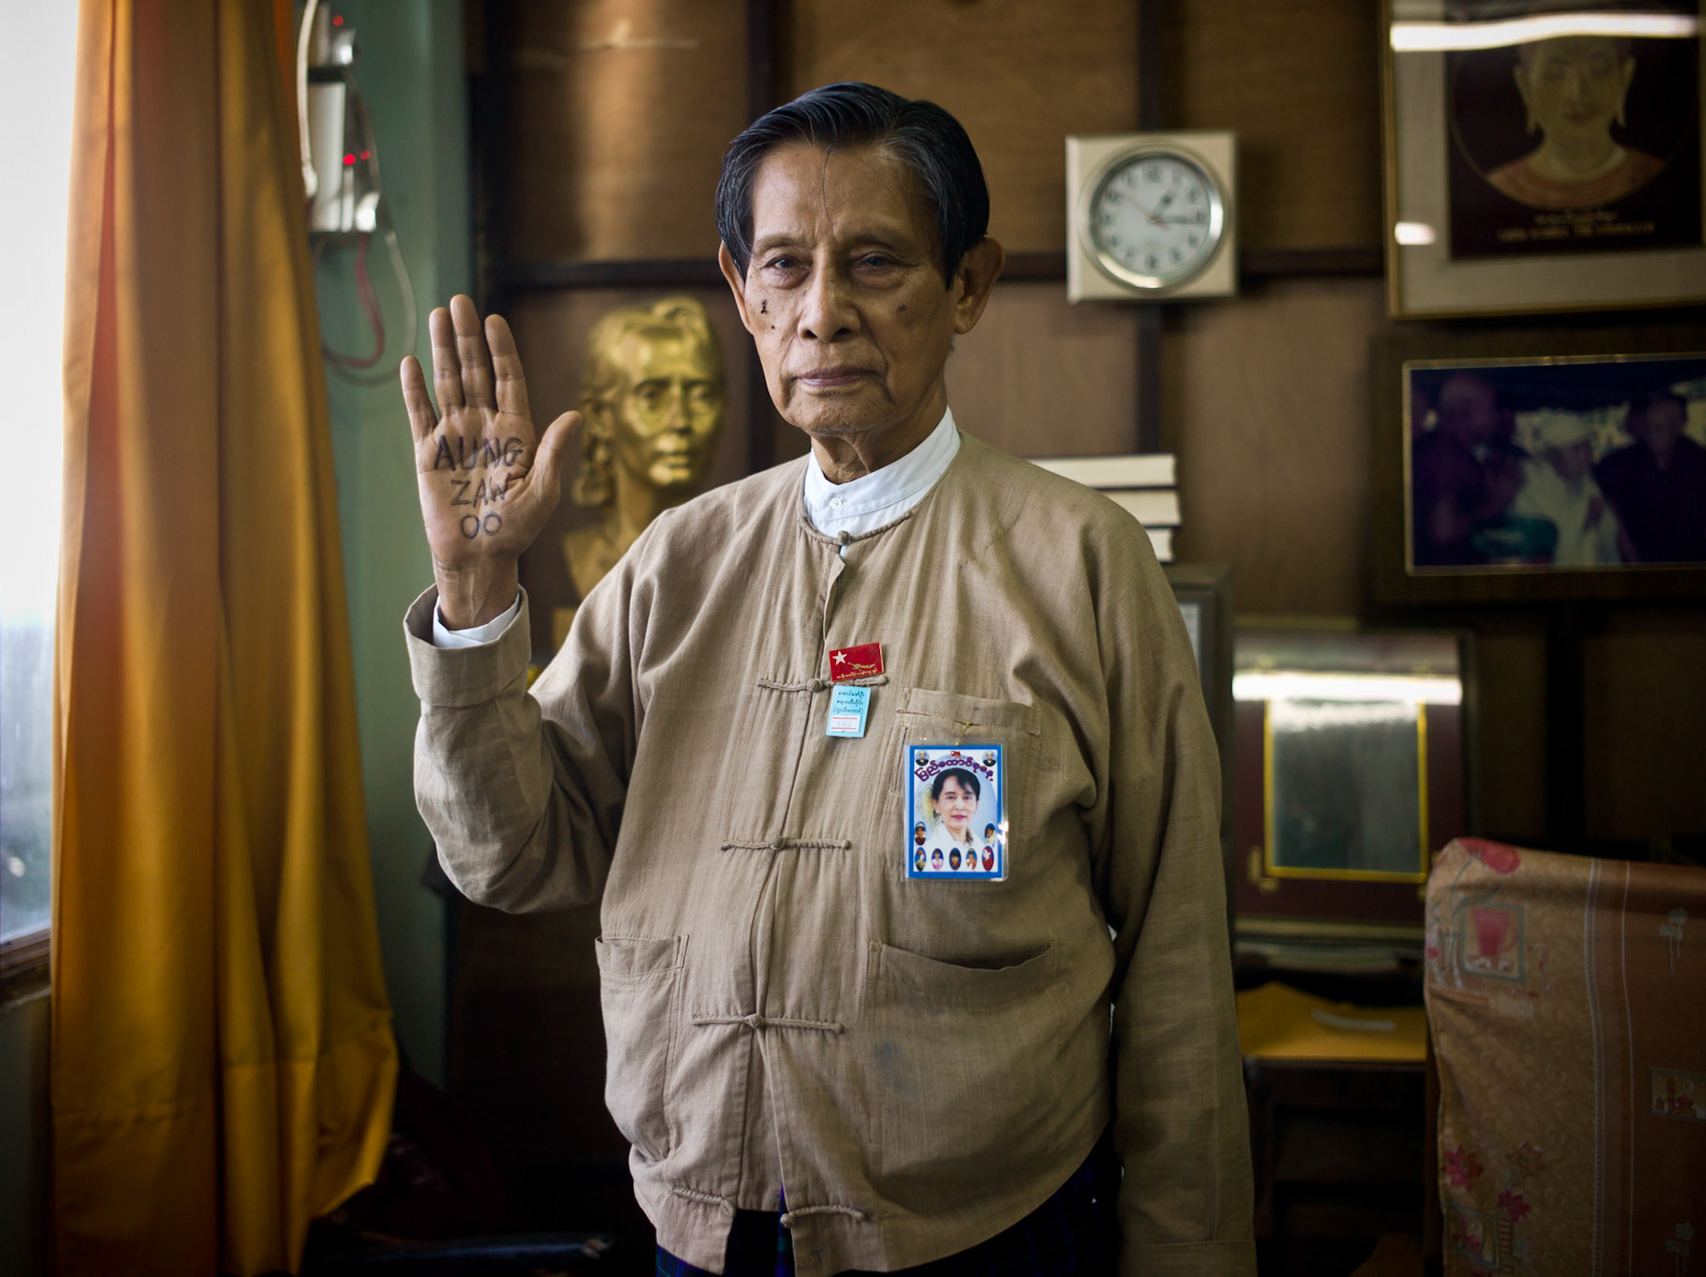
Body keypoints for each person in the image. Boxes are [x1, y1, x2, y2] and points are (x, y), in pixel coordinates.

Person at [400, 81, 1249, 1277]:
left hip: (991, 1232)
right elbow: (508, 851)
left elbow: (1175, 952)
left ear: (967, 285)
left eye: (875, 262)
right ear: (742, 292)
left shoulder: (1081, 565)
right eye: (786, 267)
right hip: (699, 1232)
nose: (823, 315)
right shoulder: (676, 564)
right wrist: (478, 586)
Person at [561, 296, 727, 614]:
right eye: (652, 396)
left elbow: (849, 666)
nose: (680, 421)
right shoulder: (574, 559)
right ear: (600, 417)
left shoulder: (744, 555)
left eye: (702, 395)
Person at [1486, 35, 1665, 210]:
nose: (1577, 94)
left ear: (1624, 78)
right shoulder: (1500, 188)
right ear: (1525, 86)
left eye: (1598, 69)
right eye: (1555, 74)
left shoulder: (1654, 177)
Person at [1594, 391, 1706, 563]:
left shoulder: (1701, 462)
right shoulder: (1623, 462)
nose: (1651, 434)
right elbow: (1607, 498)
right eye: (1647, 427)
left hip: (1692, 559)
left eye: (1659, 427)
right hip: (1640, 560)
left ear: (1678, 426)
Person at [1412, 372, 1525, 567]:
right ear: (1464, 412)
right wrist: (1495, 504)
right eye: (1490, 409)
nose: (1495, 417)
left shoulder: (1451, 450)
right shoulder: (1444, 455)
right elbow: (1442, 532)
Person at [1506, 411, 1622, 567]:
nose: (1585, 457)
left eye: (1587, 449)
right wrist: (1585, 516)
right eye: (1576, 449)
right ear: (1551, 453)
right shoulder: (1530, 485)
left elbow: (1610, 530)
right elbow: (1543, 545)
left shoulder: (1584, 479)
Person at [925, 767, 982, 858]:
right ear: (935, 804)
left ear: (976, 805)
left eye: (967, 798)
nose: (959, 807)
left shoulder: (984, 851)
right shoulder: (927, 853)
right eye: (951, 797)